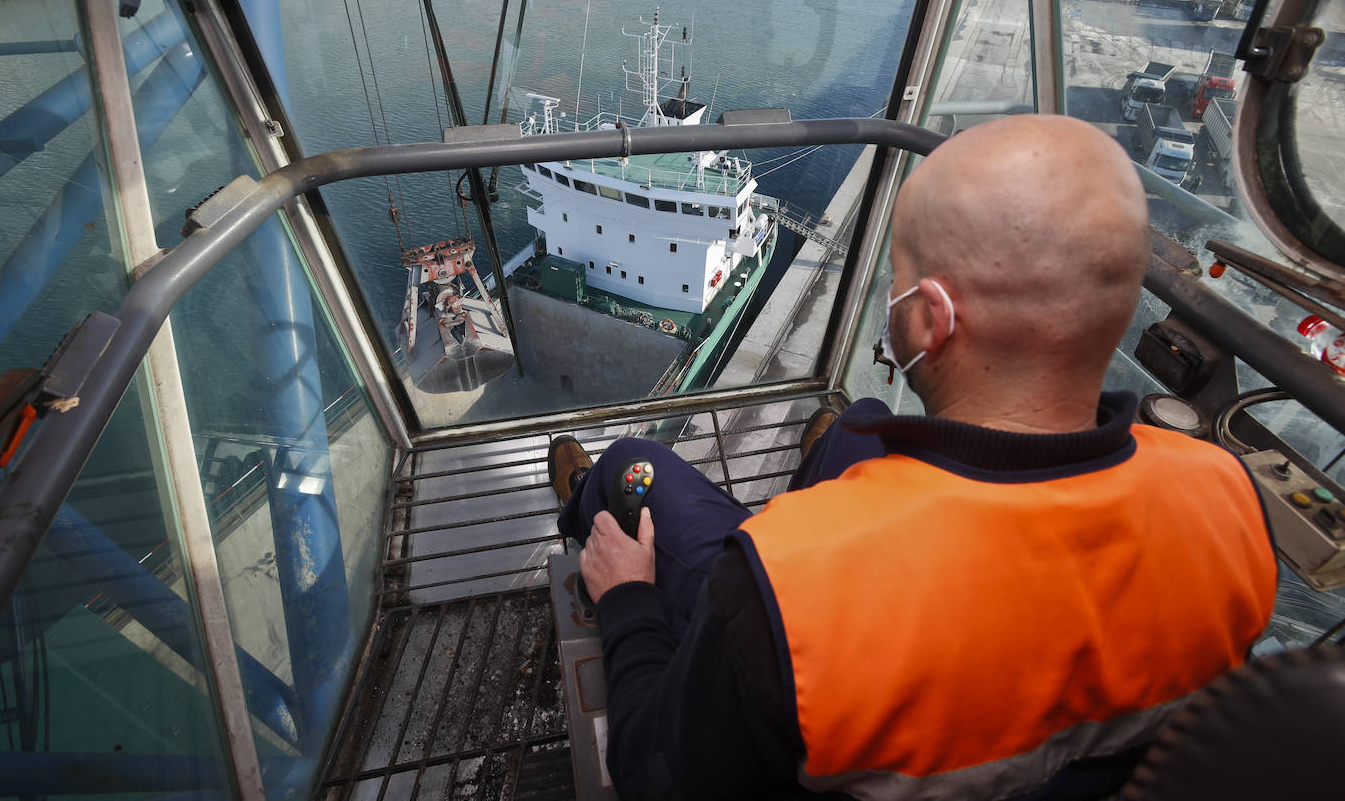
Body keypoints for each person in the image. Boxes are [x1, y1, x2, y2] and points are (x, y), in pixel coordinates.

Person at [547, 115, 1277, 800]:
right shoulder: (1228, 498)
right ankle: (828, 455)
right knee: (863, 421)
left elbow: (656, 775)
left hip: (805, 599)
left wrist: (630, 602)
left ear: (931, 317)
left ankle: (589, 499)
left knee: (634, 462)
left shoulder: (782, 582)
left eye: (897, 280)